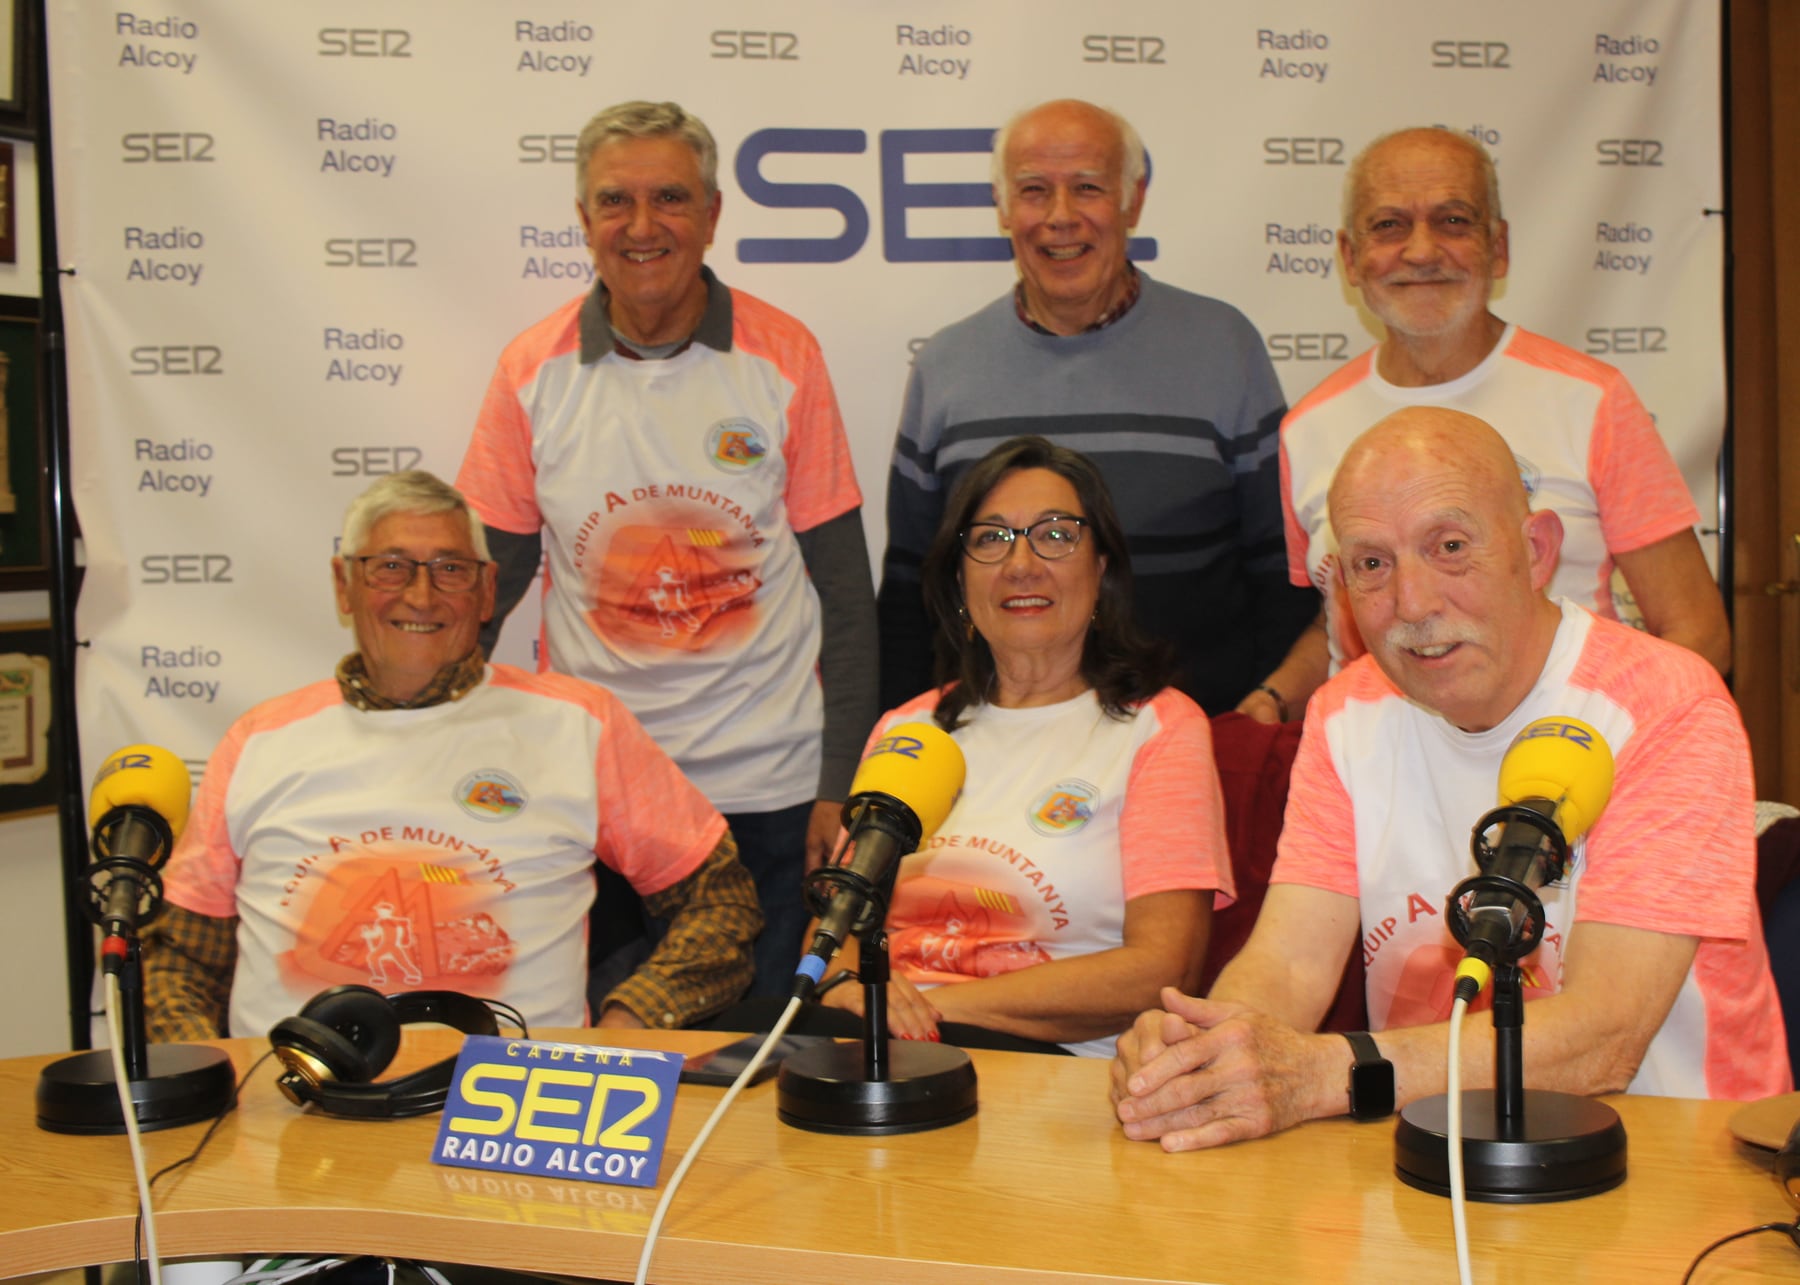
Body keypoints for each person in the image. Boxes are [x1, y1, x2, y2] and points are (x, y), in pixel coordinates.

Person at [1111, 409, 1787, 1150]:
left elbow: (1607, 1035)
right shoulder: (1346, 713)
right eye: (1371, 563)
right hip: (1437, 1155)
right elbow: (1289, 961)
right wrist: (1207, 1054)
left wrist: (1328, 1072)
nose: (1413, 604)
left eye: (1451, 547)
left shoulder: (1664, 702)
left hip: (1676, 1158)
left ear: (1535, 552)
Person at [456, 101, 876, 996]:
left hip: (770, 789)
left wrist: (841, 782)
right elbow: (482, 589)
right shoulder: (531, 371)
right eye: (615, 202)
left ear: (714, 215)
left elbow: (844, 592)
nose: (642, 227)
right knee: (618, 1053)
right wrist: (433, 751)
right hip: (602, 794)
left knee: (759, 1062)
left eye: (670, 199)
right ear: (583, 221)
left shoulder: (785, 356)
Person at [142, 471, 761, 1041]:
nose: (421, 595)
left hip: (511, 1116)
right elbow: (178, 952)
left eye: (450, 569)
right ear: (344, 586)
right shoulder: (258, 739)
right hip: (292, 1112)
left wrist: (631, 1020)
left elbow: (721, 900)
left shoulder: (580, 724)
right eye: (390, 567)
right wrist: (210, 1075)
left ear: (488, 591)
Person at [1244, 126, 1731, 726]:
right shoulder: (1308, 426)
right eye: (1390, 225)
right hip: (1384, 775)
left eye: (1452, 221)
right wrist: (1269, 701)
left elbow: (1697, 629)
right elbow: (1337, 622)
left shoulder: (1591, 399)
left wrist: (1602, 749)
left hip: (1564, 768)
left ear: (1498, 247)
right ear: (1350, 257)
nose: (1421, 251)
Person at [878, 98, 1316, 719]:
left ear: (1132, 200)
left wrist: (1261, 718)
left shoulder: (1224, 347)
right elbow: (909, 592)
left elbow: (1284, 574)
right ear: (1003, 208)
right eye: (1034, 191)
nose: (1061, 217)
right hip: (995, 757)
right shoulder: (945, 368)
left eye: (1087, 188)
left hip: (1200, 742)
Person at [818, 437, 1231, 1057]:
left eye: (1057, 536)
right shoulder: (907, 727)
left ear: (1102, 570)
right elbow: (831, 936)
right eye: (990, 539)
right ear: (959, 581)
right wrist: (849, 986)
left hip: (1048, 1074)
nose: (1021, 565)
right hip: (878, 1046)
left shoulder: (1159, 727)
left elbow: (1162, 970)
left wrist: (928, 1007)